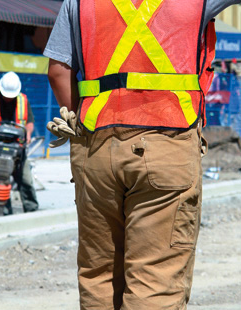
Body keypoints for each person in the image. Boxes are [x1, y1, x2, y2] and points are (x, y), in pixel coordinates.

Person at [44, 0, 241, 309]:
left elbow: (58, 71)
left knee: (99, 276)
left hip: (95, 146)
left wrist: (82, 125)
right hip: (168, 143)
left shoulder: (78, 2)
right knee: (155, 282)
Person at [0, 71, 39, 213]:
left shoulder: (23, 100)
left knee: (25, 180)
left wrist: (28, 133)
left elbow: (29, 122)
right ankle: (3, 209)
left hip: (18, 146)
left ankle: (31, 210)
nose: (8, 99)